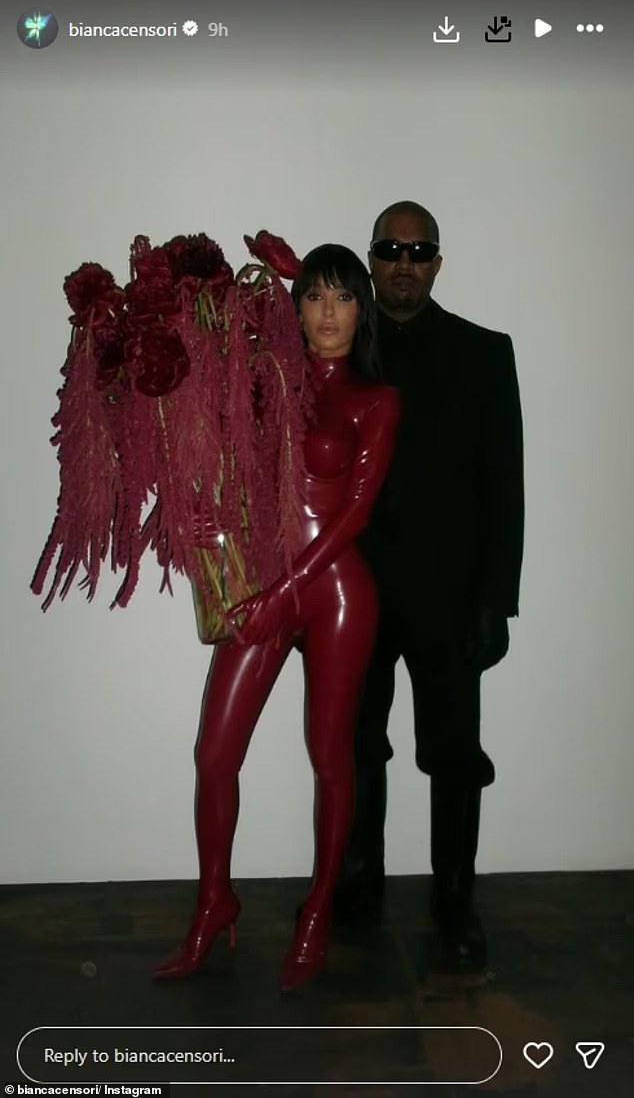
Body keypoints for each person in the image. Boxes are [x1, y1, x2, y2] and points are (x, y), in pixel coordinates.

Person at [153, 244, 399, 992]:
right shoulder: (266, 379)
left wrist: (282, 590)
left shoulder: (374, 399)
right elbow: (232, 472)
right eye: (314, 296)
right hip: (266, 582)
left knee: (330, 756)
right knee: (214, 754)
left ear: (362, 311)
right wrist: (207, 517)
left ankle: (317, 909)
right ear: (296, 308)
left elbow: (355, 515)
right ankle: (213, 902)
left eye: (343, 297)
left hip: (335, 591)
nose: (328, 312)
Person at [333, 201, 524, 971]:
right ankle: (357, 890)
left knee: (454, 755)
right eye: (390, 248)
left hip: (449, 600)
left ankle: (454, 901)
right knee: (354, 747)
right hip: (356, 595)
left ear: (437, 262)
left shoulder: (484, 353)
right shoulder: (337, 354)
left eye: (419, 251)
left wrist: (496, 602)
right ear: (371, 260)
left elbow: (504, 486)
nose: (404, 263)